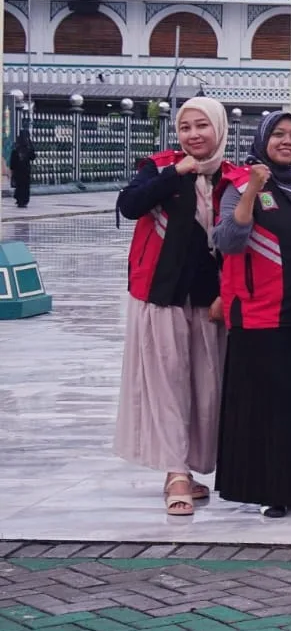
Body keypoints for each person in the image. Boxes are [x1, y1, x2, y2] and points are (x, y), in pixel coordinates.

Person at [113, 97, 230, 516]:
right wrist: (173, 174)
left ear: (219, 129)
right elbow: (130, 206)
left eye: (203, 126)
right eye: (186, 127)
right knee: (166, 385)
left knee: (203, 388)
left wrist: (227, 294)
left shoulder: (230, 177)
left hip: (209, 304)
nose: (194, 135)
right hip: (161, 297)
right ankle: (176, 474)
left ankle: (187, 467)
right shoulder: (159, 166)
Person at [213, 111, 291, 517]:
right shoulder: (239, 183)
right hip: (259, 316)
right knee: (268, 407)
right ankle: (271, 489)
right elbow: (227, 240)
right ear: (262, 139)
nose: (287, 141)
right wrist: (252, 192)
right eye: (278, 134)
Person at [7, 126, 35, 208]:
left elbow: (13, 162)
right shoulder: (28, 147)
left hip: (18, 171)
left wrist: (12, 171)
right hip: (25, 170)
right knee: (25, 186)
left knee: (19, 186)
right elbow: (33, 157)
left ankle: (19, 200)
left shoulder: (16, 147)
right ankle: (24, 200)